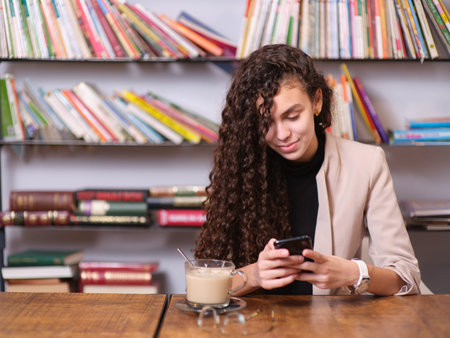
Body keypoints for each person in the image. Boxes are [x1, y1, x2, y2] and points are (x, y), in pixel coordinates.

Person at [195, 44, 420, 296]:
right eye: (266, 123)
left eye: (292, 116)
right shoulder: (243, 167)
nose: (282, 135)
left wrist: (352, 273)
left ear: (316, 101)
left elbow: (406, 278)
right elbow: (204, 287)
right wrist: (256, 274)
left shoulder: (367, 163)